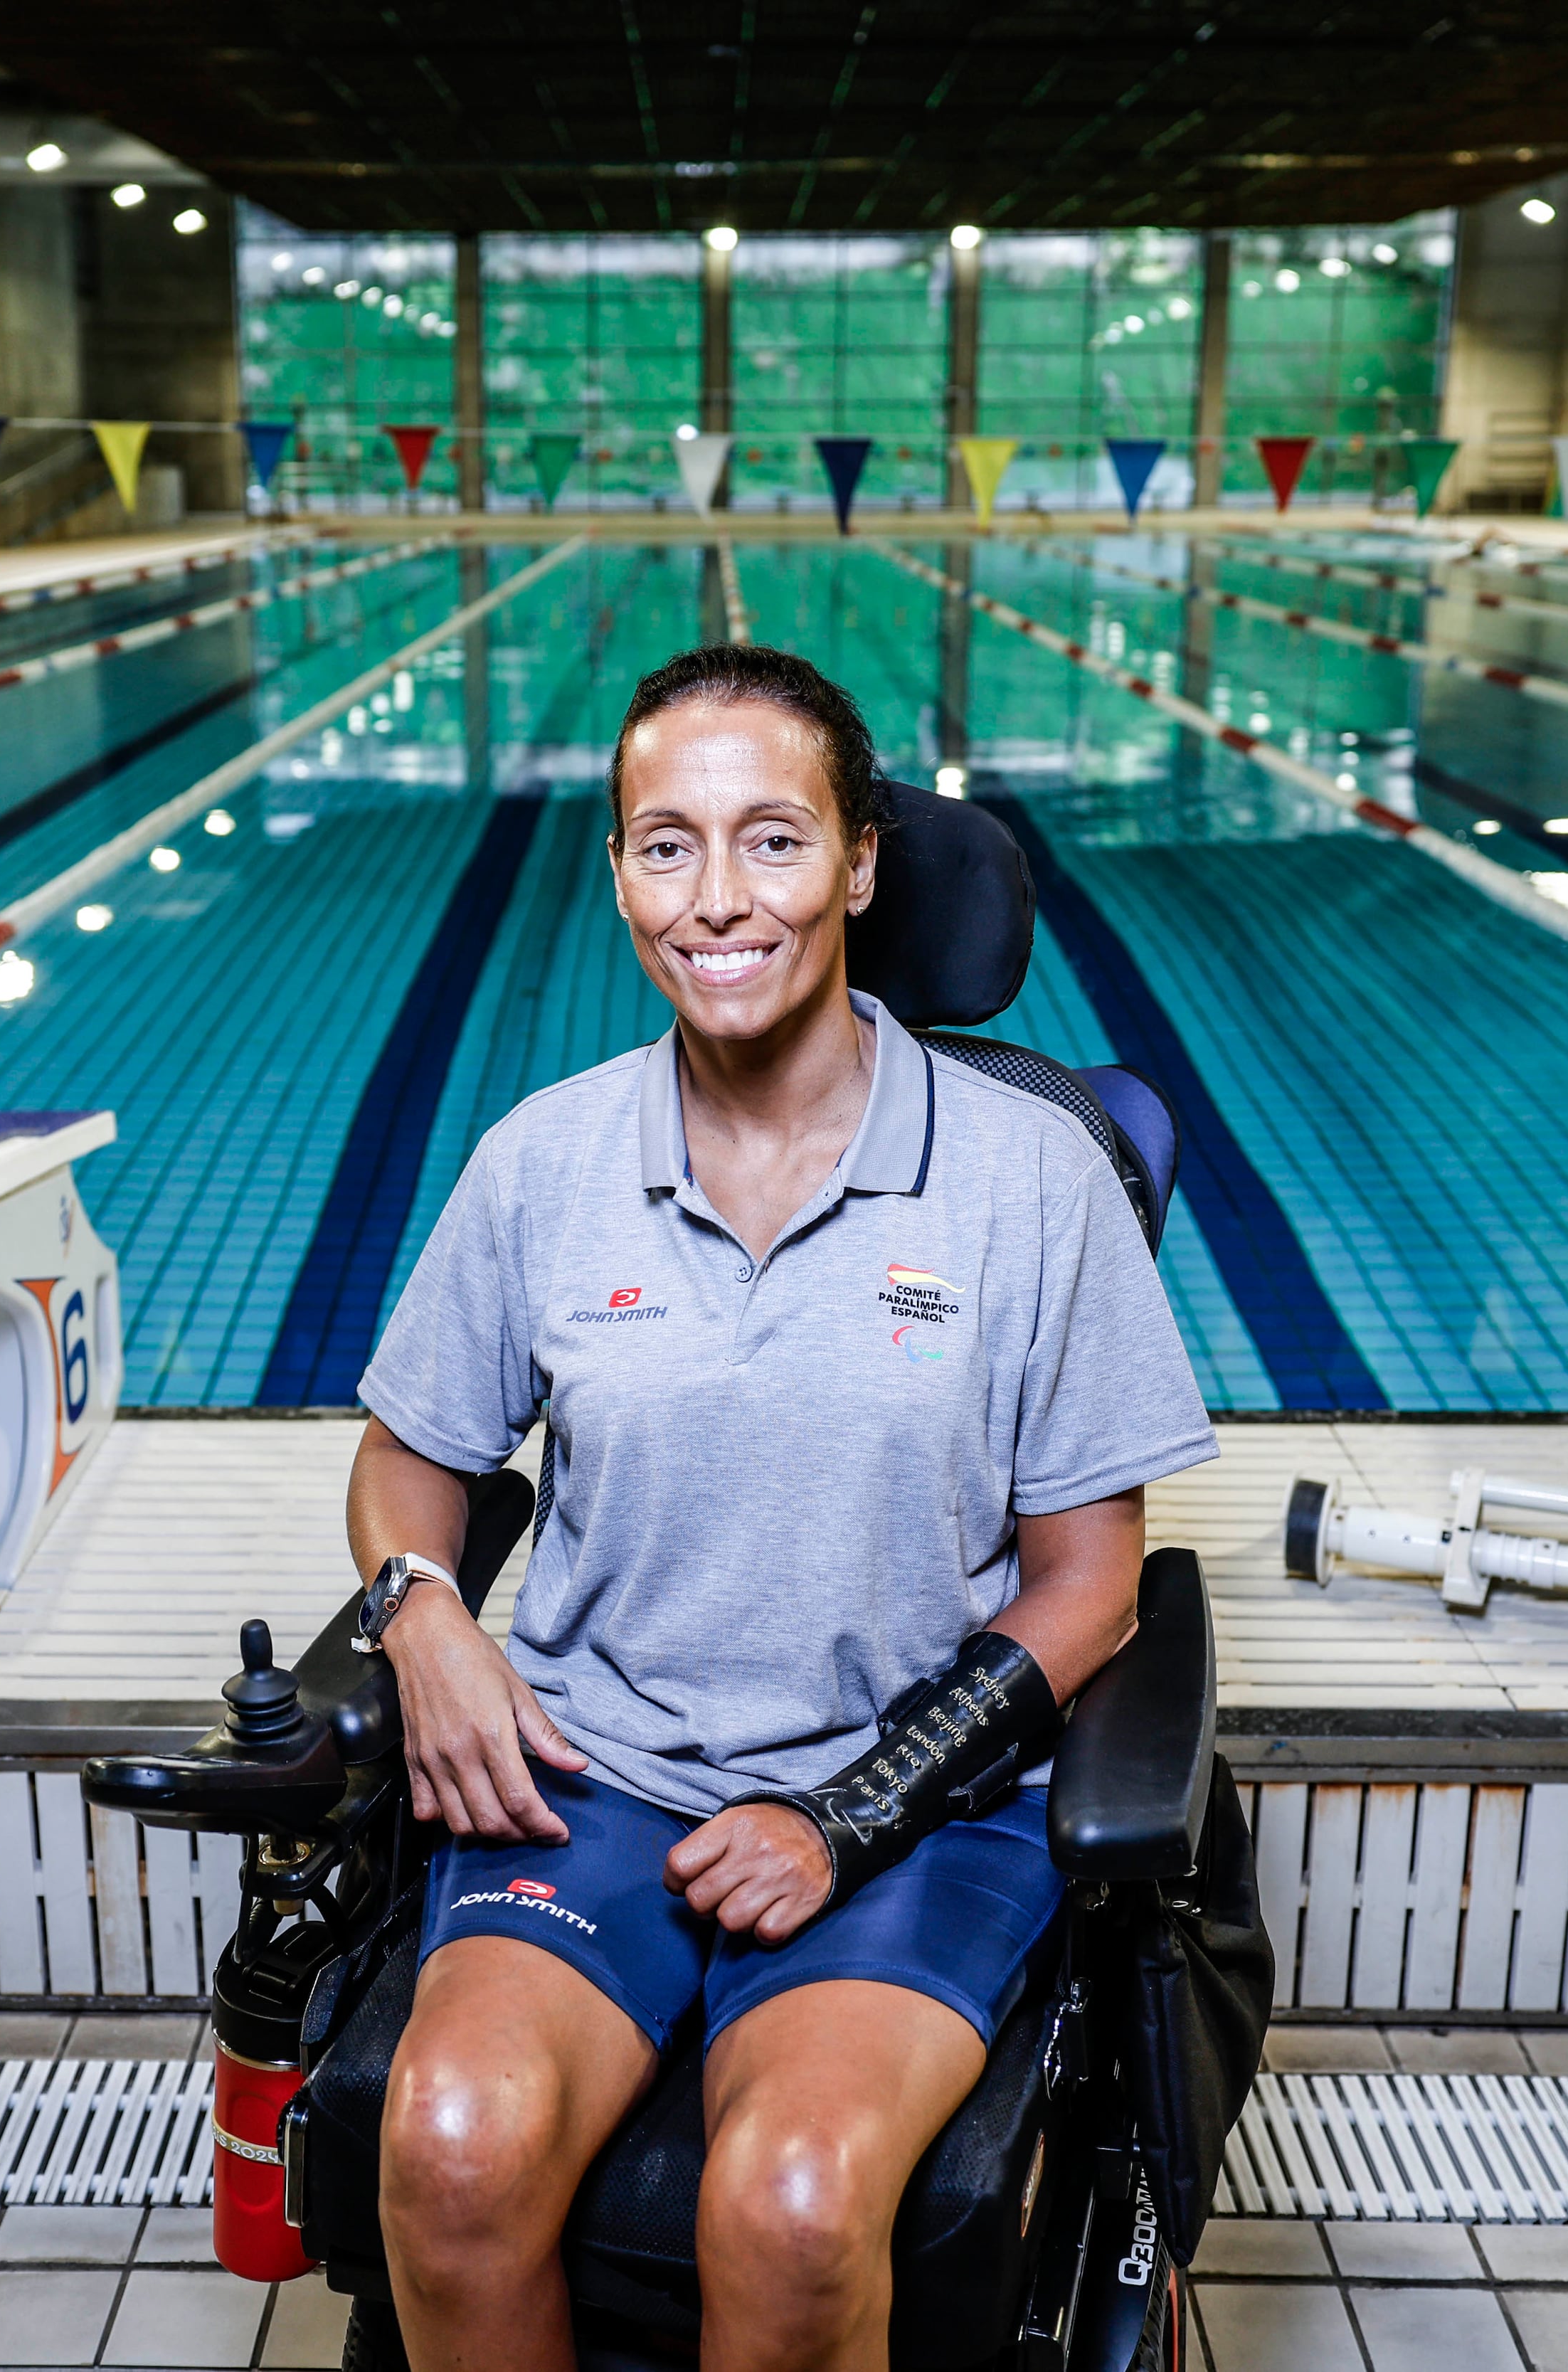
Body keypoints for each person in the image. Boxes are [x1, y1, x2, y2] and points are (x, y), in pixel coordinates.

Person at [342, 645, 1216, 2372]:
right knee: (446, 2145)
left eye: (773, 840)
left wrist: (848, 1809)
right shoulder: (545, 1157)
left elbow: (1094, 1581)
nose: (718, 898)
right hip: (593, 1781)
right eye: (666, 845)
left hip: (910, 1807)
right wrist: (419, 1611)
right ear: (614, 874)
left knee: (797, 2196)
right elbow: (410, 1452)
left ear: (862, 862)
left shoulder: (1032, 1174)